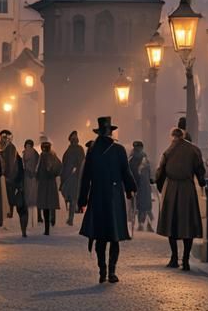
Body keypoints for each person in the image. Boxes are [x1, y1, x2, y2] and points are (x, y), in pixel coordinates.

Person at [78, 117, 136, 283]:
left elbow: (86, 178)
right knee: (114, 235)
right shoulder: (118, 150)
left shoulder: (93, 150)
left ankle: (103, 270)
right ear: (110, 132)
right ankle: (111, 271)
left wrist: (82, 200)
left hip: (97, 195)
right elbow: (126, 171)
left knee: (100, 236)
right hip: (114, 195)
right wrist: (130, 189)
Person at [155, 127, 205, 271]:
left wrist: (160, 186)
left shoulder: (169, 150)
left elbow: (160, 171)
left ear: (173, 137)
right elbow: (200, 169)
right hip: (187, 188)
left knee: (171, 223)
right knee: (188, 224)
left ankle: (174, 257)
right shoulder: (193, 150)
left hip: (171, 188)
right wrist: (201, 182)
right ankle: (186, 260)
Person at [0, 129, 27, 235]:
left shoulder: (11, 149)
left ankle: (23, 229)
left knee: (20, 206)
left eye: (6, 137)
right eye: (3, 137)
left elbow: (11, 166)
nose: (4, 139)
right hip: (4, 181)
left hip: (14, 181)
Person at [36, 140, 62, 235]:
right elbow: (59, 166)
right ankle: (52, 220)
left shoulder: (42, 156)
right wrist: (54, 173)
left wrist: (38, 176)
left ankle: (47, 229)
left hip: (44, 183)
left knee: (45, 205)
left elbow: (38, 169)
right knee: (51, 203)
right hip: (51, 183)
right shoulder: (53, 156)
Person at [128, 141, 155, 232]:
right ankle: (146, 223)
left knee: (137, 205)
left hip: (137, 185)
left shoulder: (131, 157)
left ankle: (141, 224)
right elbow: (149, 171)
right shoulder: (145, 158)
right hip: (143, 185)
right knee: (145, 206)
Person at [60, 131, 86, 226]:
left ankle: (71, 218)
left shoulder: (79, 149)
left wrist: (77, 170)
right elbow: (65, 163)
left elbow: (82, 162)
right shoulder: (69, 150)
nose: (74, 141)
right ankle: (71, 215)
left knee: (73, 197)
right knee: (69, 196)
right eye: (73, 139)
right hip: (68, 176)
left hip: (75, 177)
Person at [23, 138, 40, 221]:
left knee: (30, 192)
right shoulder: (34, 153)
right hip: (30, 175)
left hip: (30, 175)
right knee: (30, 191)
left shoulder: (30, 153)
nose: (27, 147)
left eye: (28, 145)